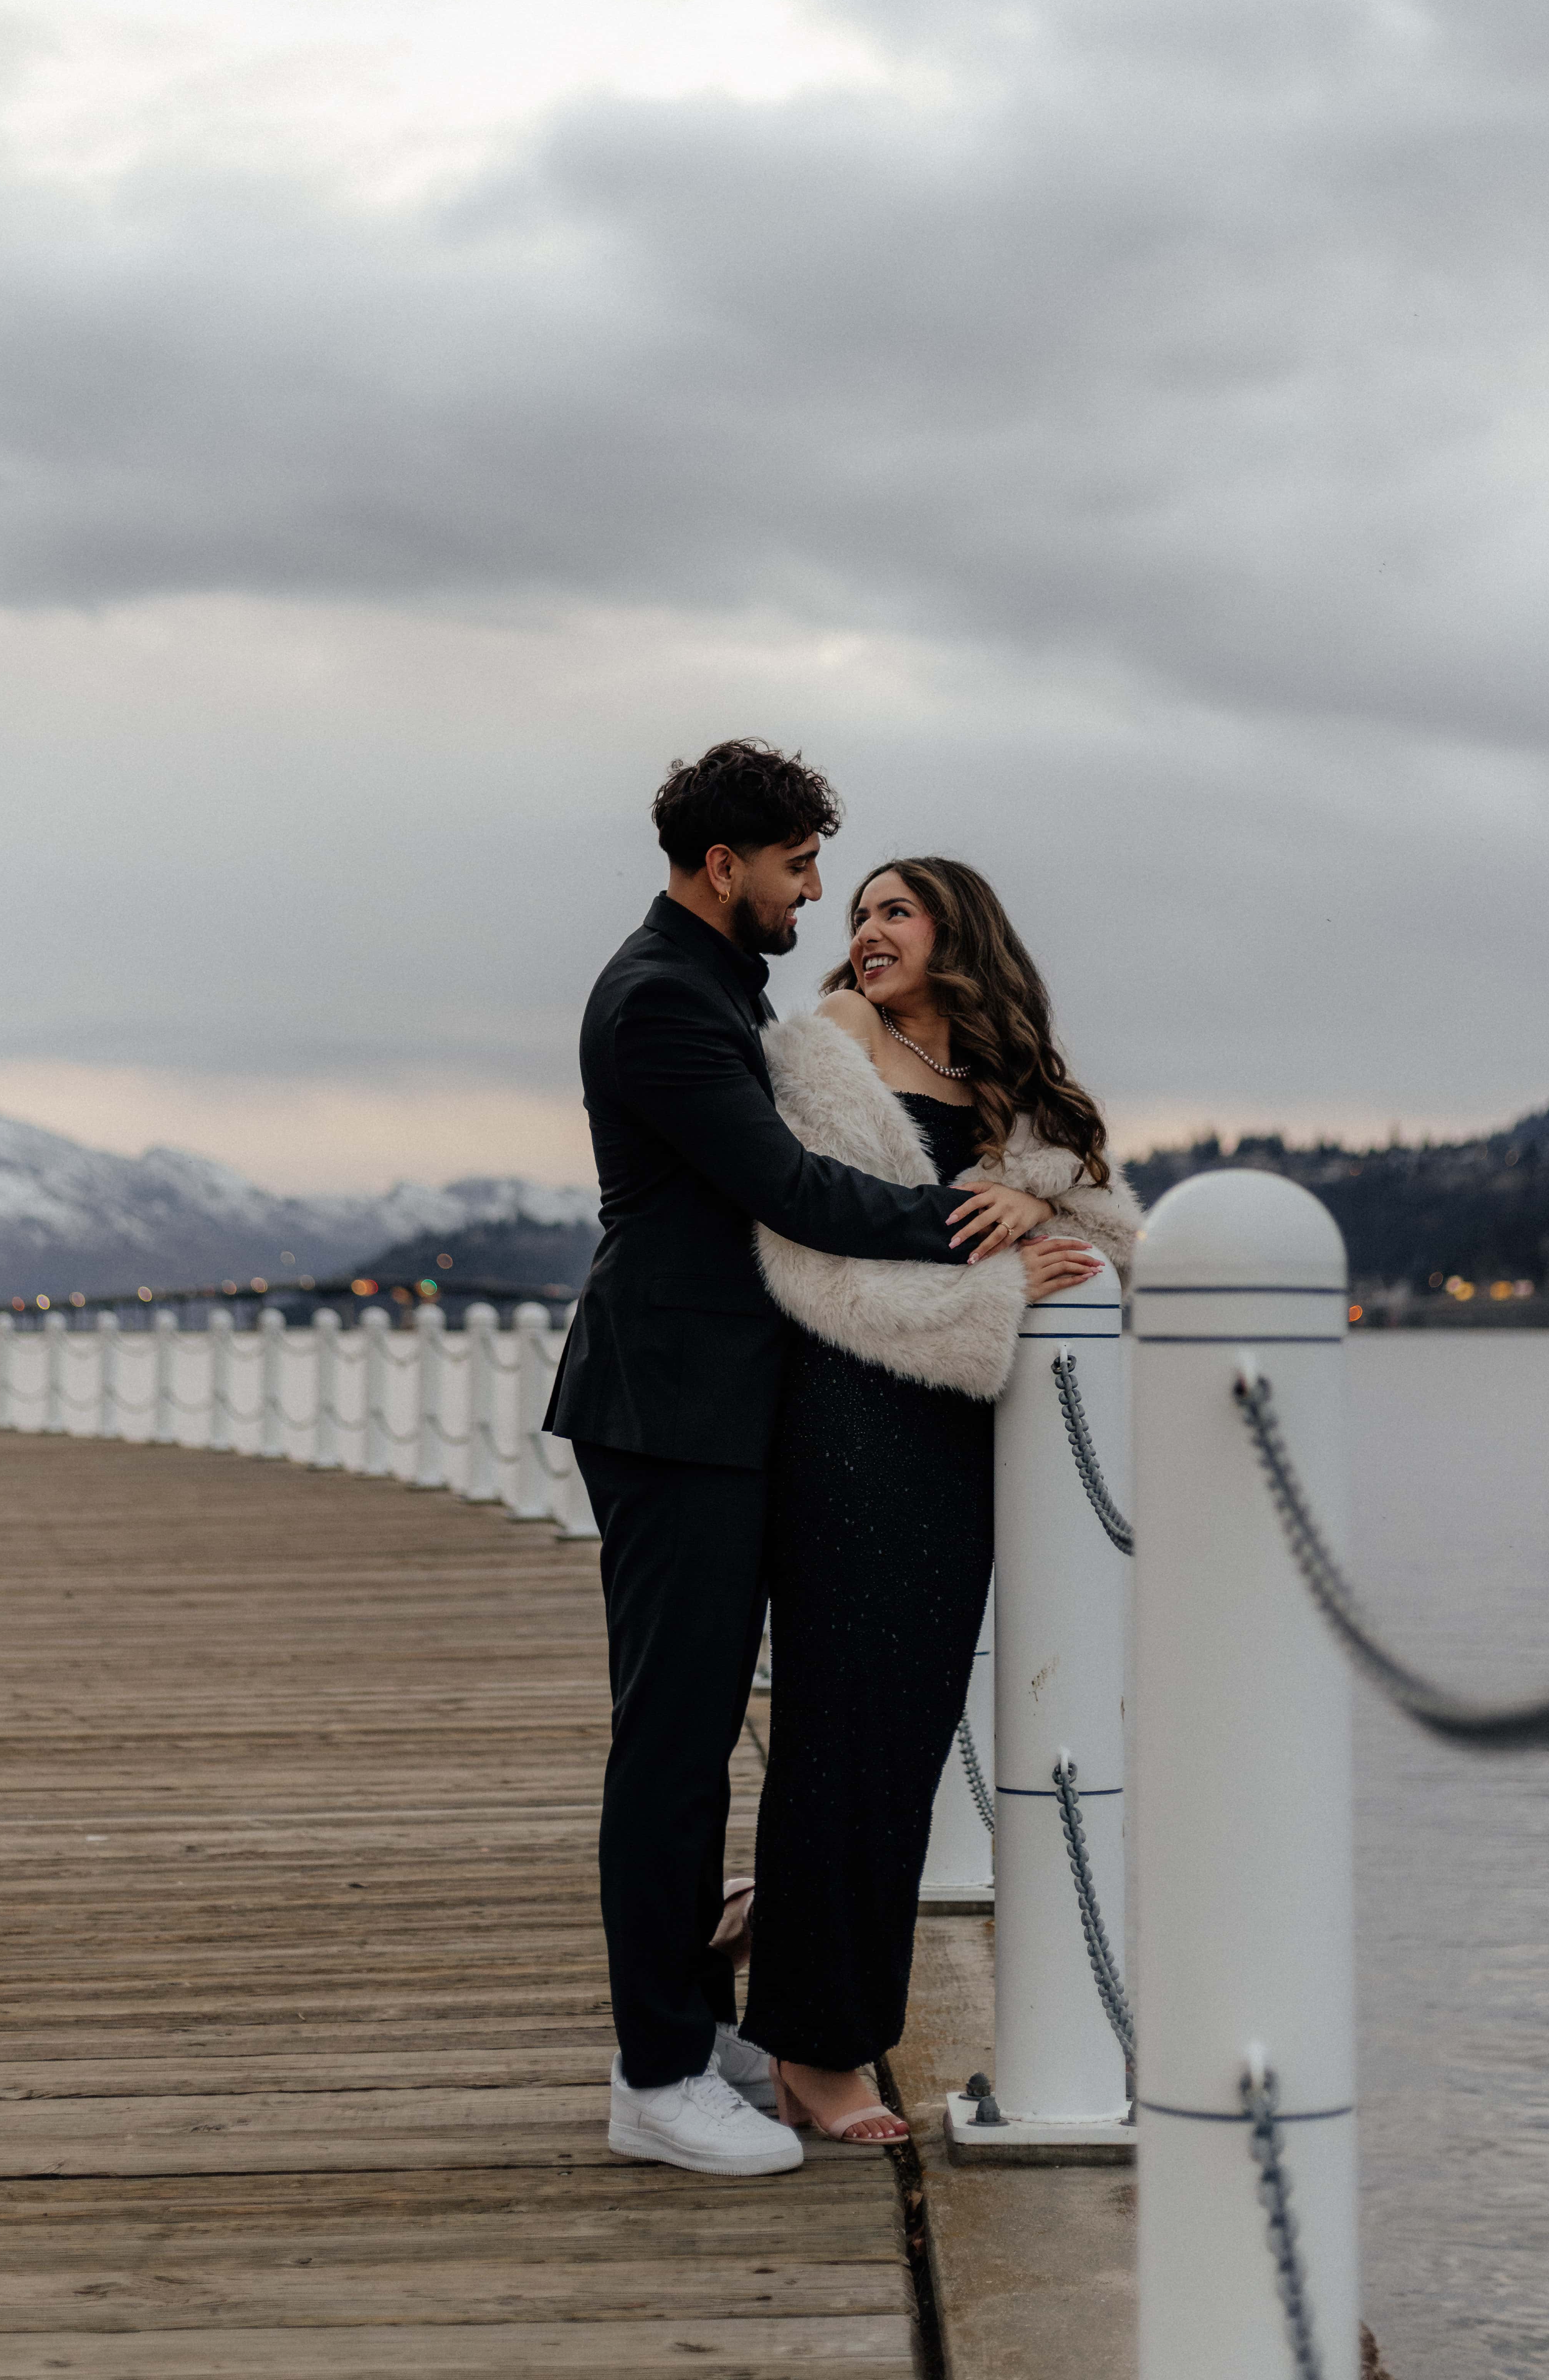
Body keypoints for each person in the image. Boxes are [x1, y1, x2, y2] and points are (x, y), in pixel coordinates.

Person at [544, 745, 1052, 2176]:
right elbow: (784, 1189)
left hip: (726, 1406)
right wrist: (981, 1230)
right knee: (671, 1745)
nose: (815, 893)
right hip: (672, 1409)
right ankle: (656, 2073)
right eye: (800, 867)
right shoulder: (661, 1000)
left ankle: (696, 2031)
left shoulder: (714, 987)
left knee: (698, 1735)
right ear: (728, 867)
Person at [736, 855, 1141, 2142]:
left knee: (902, 1727)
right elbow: (824, 1235)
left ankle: (788, 1949)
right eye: (854, 913)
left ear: (958, 928)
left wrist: (1041, 1194)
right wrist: (1008, 1250)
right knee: (849, 1720)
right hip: (860, 1402)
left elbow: (1099, 1228)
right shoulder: (836, 1042)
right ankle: (819, 2049)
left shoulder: (1005, 1080)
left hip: (962, 1422)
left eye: (894, 910)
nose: (864, 932)